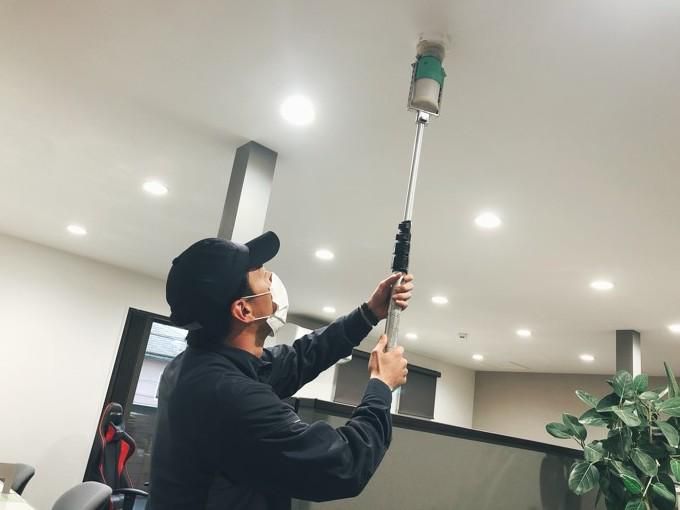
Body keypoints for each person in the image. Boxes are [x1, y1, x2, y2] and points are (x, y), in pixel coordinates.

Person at [147, 231, 414, 510]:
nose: (271, 278)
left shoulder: (200, 366)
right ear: (244, 310)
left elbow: (299, 358)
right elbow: (344, 464)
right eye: (261, 274)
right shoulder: (227, 395)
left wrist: (368, 313)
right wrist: (381, 386)